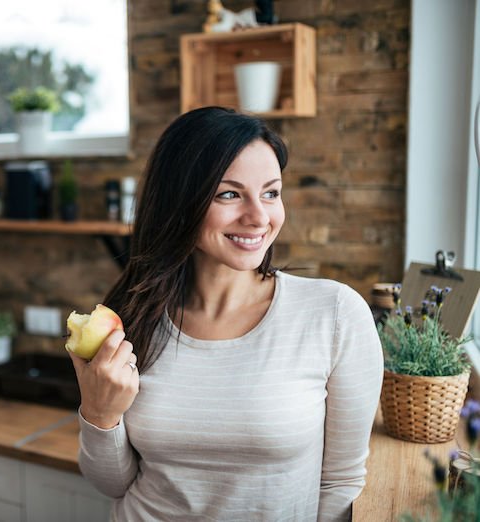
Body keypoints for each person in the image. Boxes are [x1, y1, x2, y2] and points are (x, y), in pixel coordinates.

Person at [67, 106, 383, 521]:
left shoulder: (334, 314)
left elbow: (340, 484)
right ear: (181, 202)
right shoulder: (132, 318)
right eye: (229, 194)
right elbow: (113, 484)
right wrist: (99, 414)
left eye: (271, 192)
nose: (258, 217)